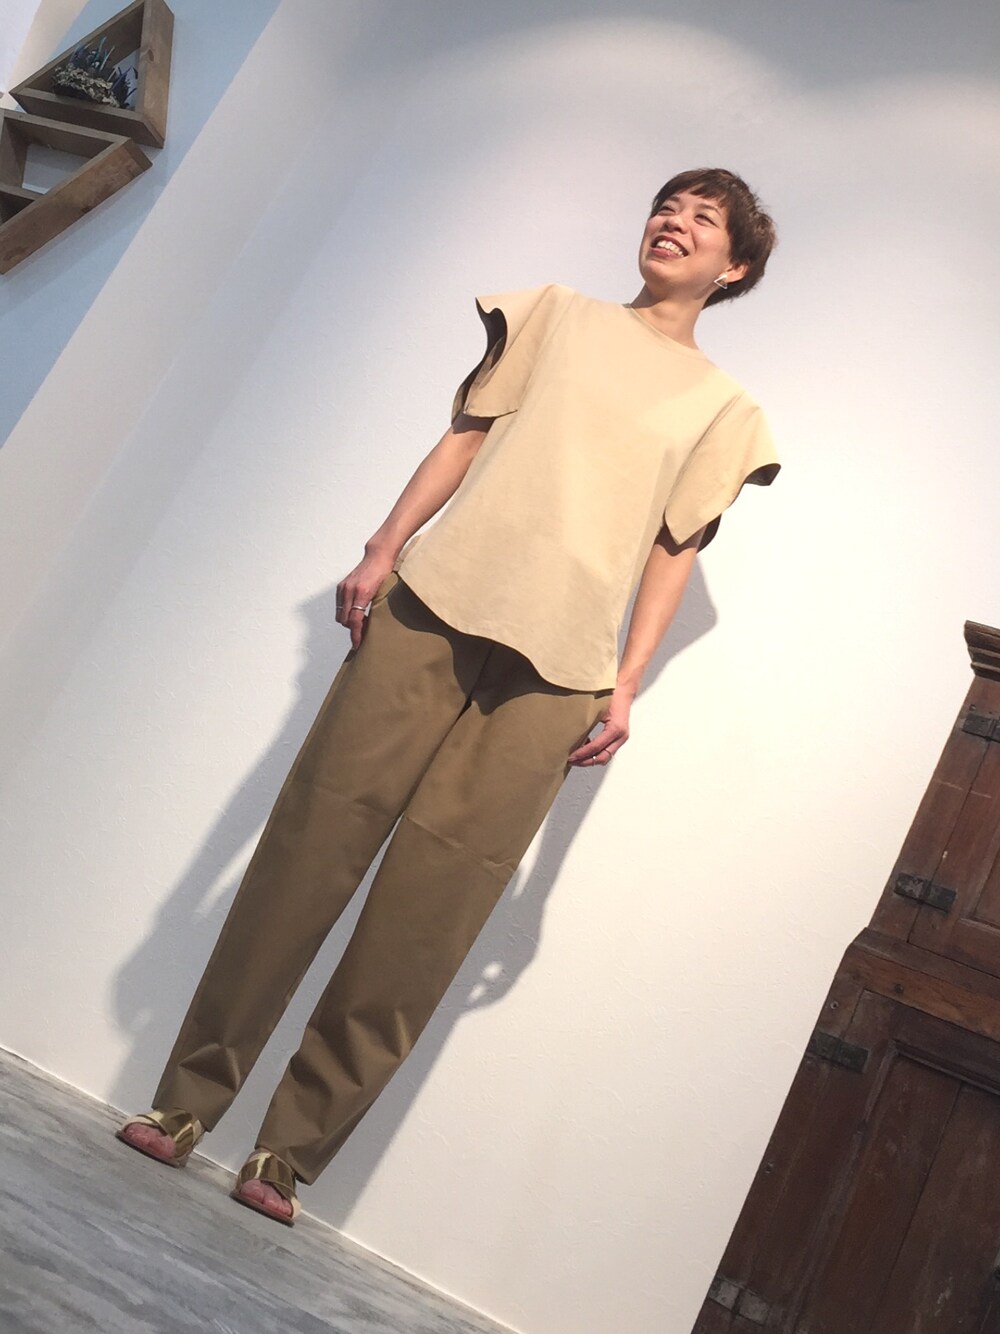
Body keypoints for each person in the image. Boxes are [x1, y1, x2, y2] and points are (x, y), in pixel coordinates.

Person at [116, 167, 781, 1225]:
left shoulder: (725, 409)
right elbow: (466, 435)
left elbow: (674, 550)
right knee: (309, 847)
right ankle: (187, 1100)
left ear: (734, 267)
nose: (673, 222)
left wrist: (626, 685)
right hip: (436, 604)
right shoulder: (554, 314)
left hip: (558, 670)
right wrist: (384, 546)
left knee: (428, 913)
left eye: (703, 219)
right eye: (667, 206)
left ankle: (286, 1154)